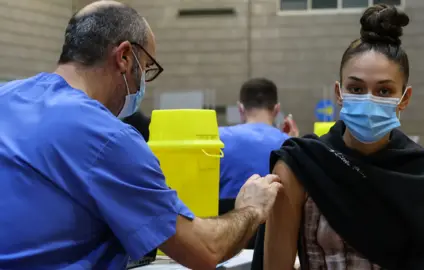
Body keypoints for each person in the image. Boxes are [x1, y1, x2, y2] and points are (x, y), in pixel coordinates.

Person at [0, 1, 283, 269]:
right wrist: (250, 210)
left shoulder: (6, 98)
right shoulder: (106, 137)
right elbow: (205, 249)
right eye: (146, 68)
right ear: (124, 57)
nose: (142, 84)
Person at [253, 4, 424, 270]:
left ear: (404, 98)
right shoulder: (301, 165)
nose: (368, 100)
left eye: (384, 91)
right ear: (339, 92)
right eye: (356, 87)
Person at [219, 78, 297, 214]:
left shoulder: (218, 139)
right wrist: (294, 140)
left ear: (240, 108)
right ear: (277, 109)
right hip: (274, 228)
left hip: (227, 226)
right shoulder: (289, 144)